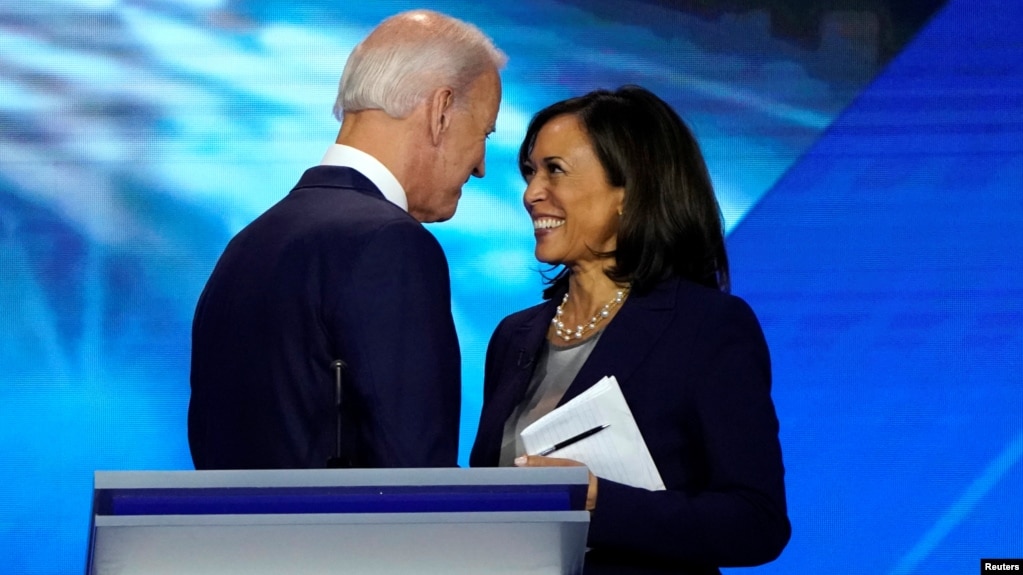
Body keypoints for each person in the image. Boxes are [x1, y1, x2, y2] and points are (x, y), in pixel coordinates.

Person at [470, 86, 790, 574]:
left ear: (628, 191)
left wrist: (600, 503)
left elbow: (756, 522)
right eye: (531, 172)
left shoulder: (707, 328)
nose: (532, 193)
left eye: (555, 170)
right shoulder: (514, 336)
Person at [189, 10, 505, 470]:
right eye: (484, 133)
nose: (480, 165)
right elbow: (418, 480)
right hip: (351, 543)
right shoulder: (390, 245)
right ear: (440, 112)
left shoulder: (248, 245)